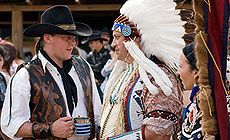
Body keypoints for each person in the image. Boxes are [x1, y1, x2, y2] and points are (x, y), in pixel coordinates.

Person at [1, 5, 101, 140]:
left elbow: (97, 114)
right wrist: (50, 129)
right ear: (48, 38)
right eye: (66, 37)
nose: (73, 42)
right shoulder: (25, 75)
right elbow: (10, 126)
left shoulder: (83, 66)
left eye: (74, 37)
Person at [99, 0, 185, 139]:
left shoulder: (158, 77)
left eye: (117, 37)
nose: (113, 44)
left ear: (135, 39)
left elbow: (159, 132)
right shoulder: (125, 73)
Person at [176, 42, 204, 139]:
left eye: (180, 66)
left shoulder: (215, 111)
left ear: (195, 73)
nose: (178, 72)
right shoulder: (193, 107)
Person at [83, 30, 111, 102]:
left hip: (104, 87)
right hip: (92, 87)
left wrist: (89, 66)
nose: (90, 45)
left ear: (98, 41)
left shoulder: (107, 54)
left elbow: (101, 69)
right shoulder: (90, 55)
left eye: (91, 43)